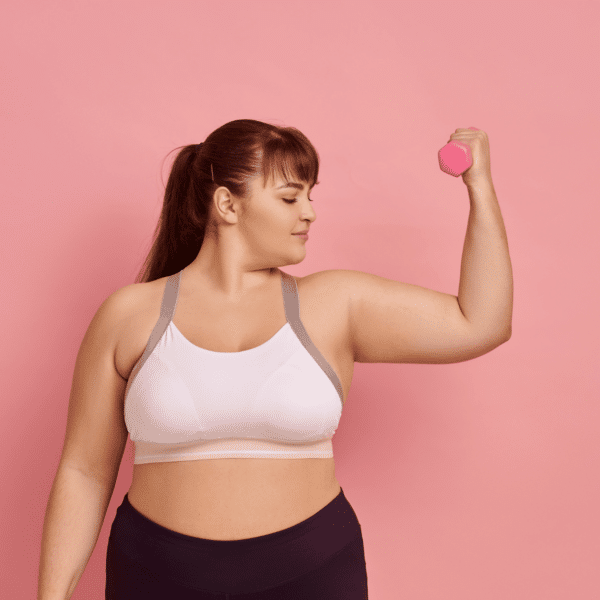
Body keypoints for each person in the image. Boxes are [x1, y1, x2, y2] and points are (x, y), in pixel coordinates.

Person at [38, 119, 512, 599]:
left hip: (312, 573)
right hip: (156, 574)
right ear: (227, 204)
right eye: (290, 198)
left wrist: (481, 187)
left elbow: (481, 323)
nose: (308, 213)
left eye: (310, 197)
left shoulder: (334, 304)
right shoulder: (128, 315)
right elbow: (84, 472)